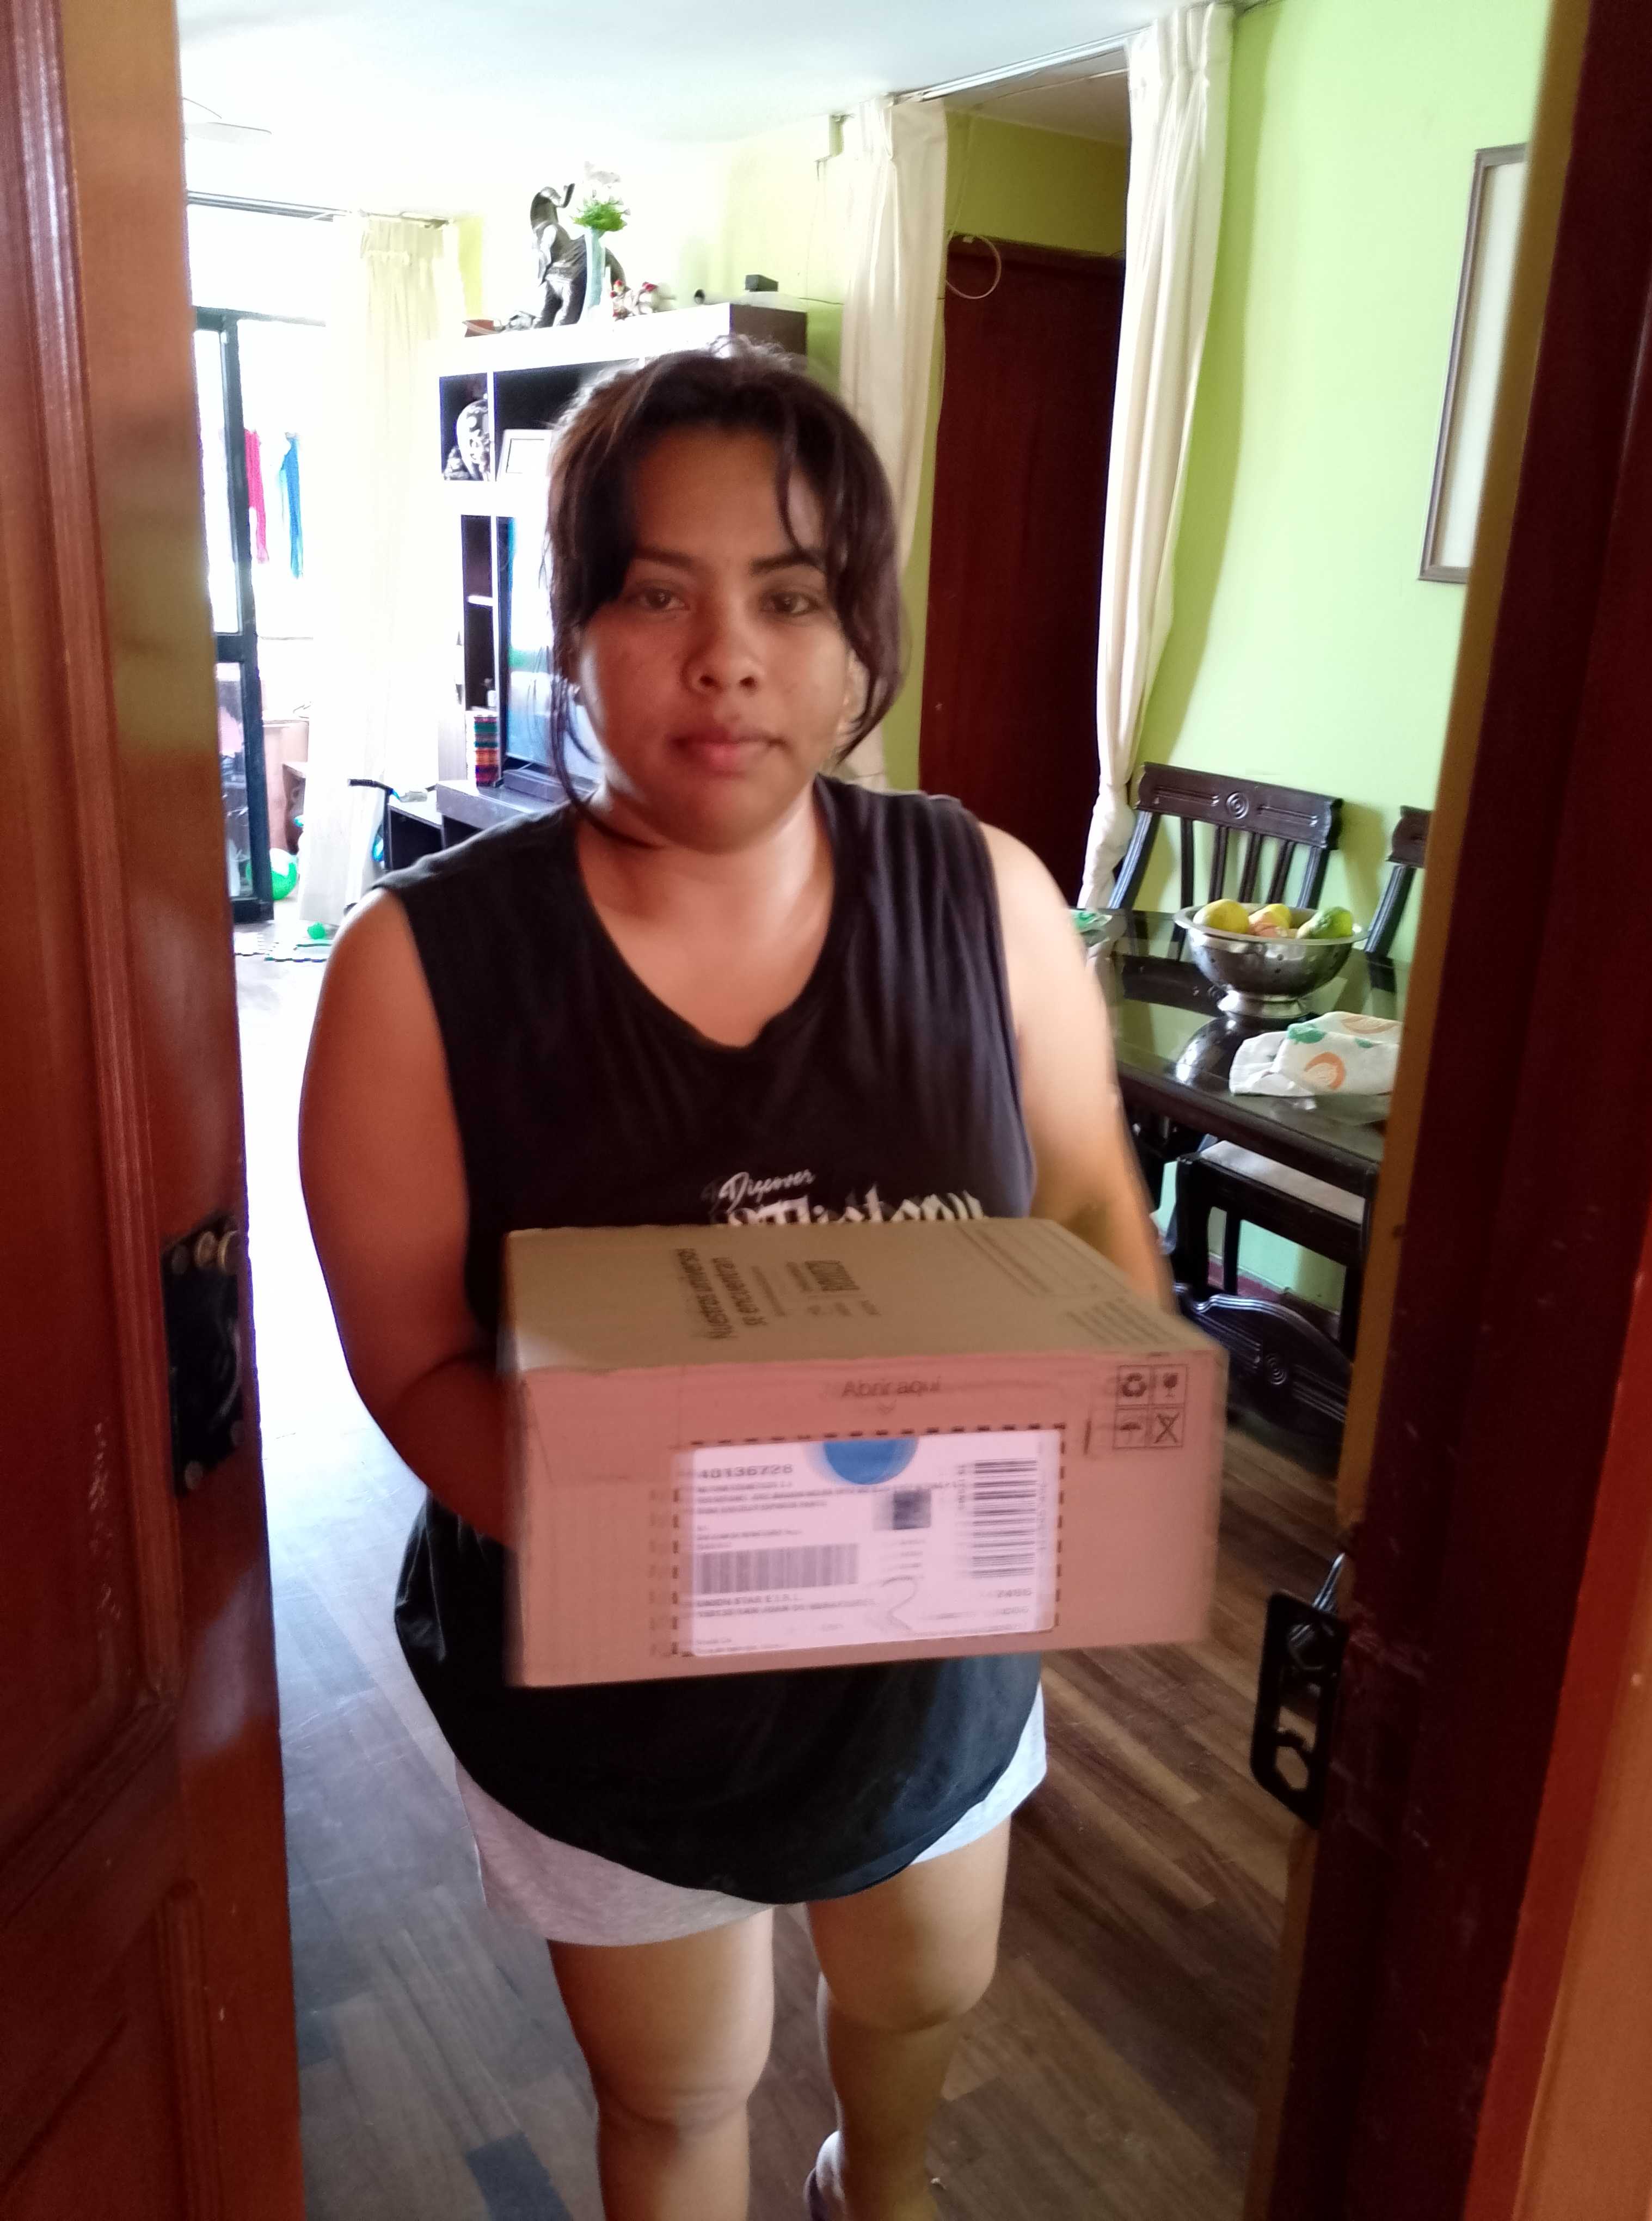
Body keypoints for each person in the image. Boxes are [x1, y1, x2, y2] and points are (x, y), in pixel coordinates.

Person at [299, 343, 1171, 2221]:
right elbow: (414, 1361)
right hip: (618, 1703)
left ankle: (882, 2190)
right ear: (574, 627)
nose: (728, 659)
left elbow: (1095, 1201)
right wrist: (687, 1542)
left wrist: (1111, 1431)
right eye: (656, 594)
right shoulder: (417, 973)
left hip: (929, 1655)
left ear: (860, 639)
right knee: (681, 2088)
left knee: (923, 1991)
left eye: (790, 596)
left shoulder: (987, 898)